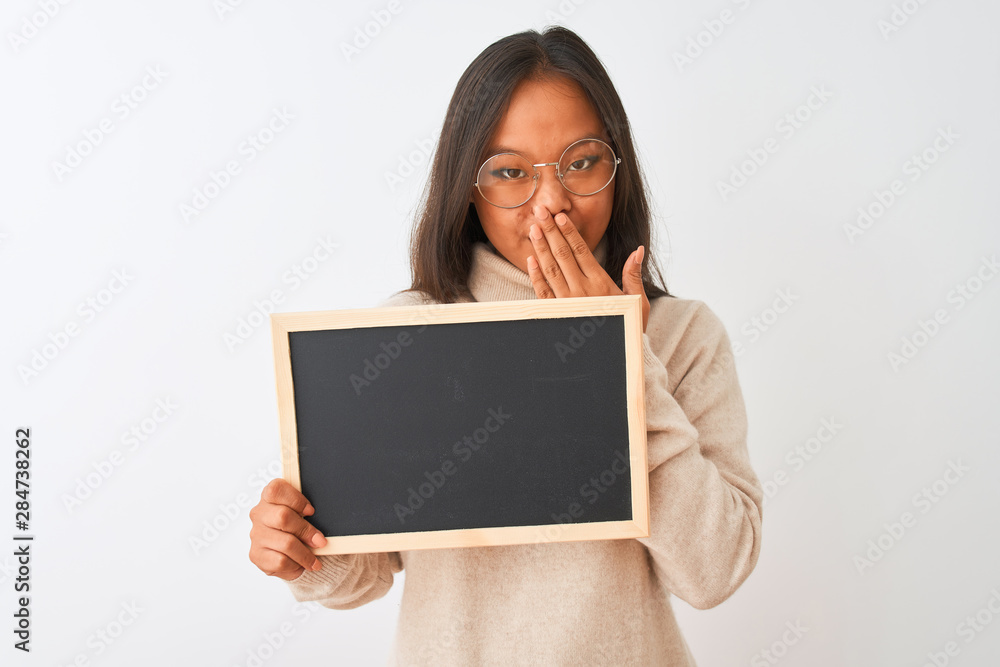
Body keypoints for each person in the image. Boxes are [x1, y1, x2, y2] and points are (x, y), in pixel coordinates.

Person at [249, 25, 763, 665]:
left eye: (580, 162)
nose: (553, 204)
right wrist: (298, 552)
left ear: (616, 164)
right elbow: (363, 573)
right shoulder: (407, 335)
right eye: (512, 172)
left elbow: (717, 570)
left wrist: (619, 361)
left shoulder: (682, 335)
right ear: (467, 186)